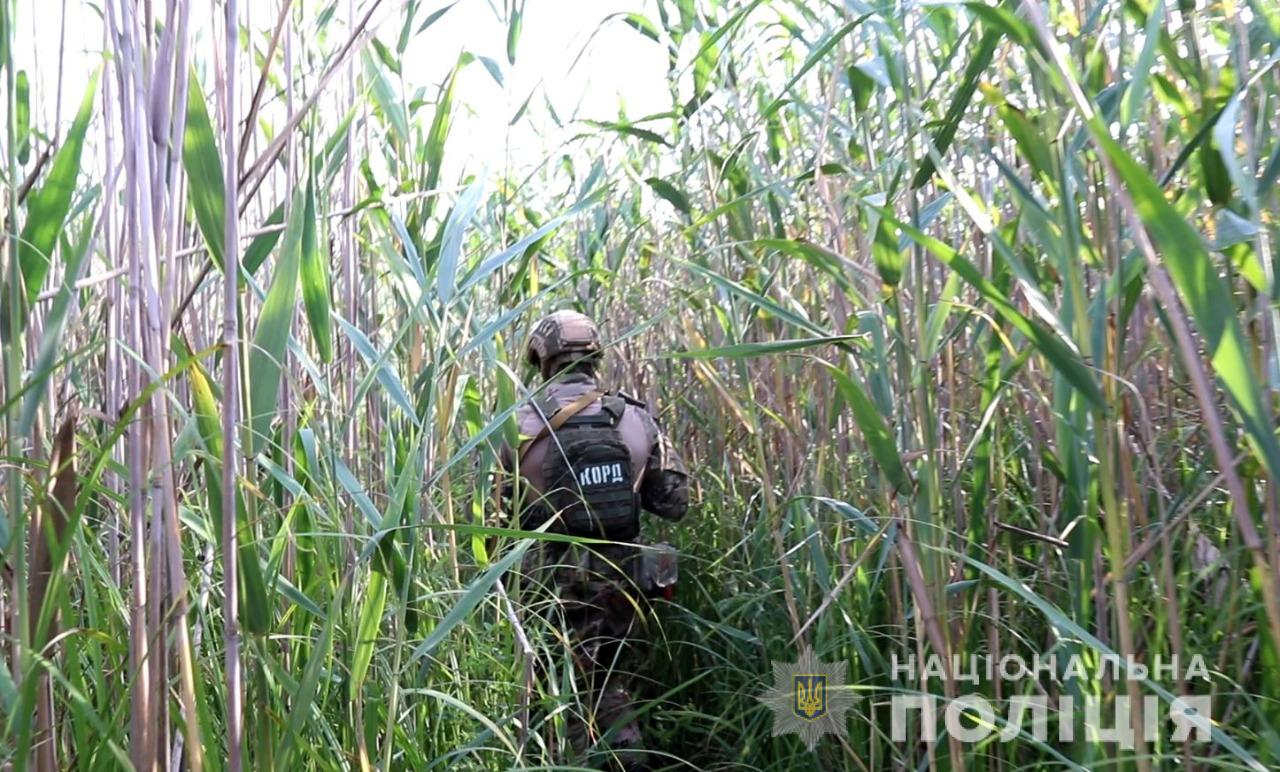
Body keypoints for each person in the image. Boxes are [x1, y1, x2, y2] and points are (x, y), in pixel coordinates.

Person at [499, 310, 688, 771]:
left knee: (552, 689)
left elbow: (494, 517)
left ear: (541, 359)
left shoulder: (515, 425)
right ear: (596, 357)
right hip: (624, 582)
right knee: (609, 683)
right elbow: (674, 502)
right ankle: (627, 756)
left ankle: (563, 760)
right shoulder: (636, 417)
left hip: (547, 581)